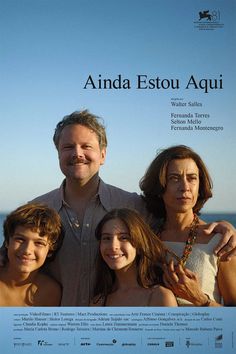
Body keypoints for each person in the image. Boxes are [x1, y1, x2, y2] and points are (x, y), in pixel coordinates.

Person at [31, 110, 236, 306]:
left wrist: (225, 227)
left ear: (103, 155)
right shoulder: (35, 211)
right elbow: (13, 262)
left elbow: (178, 215)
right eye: (68, 147)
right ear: (57, 153)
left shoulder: (135, 207)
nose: (77, 153)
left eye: (86, 146)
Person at [140, 145, 236, 306]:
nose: (185, 187)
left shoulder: (221, 242)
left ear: (200, 186)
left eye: (192, 178)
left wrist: (199, 299)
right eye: (174, 178)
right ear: (159, 187)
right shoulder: (146, 239)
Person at [90, 208, 177, 306]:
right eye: (106, 238)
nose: (113, 246)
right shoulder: (98, 302)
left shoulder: (159, 297)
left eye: (123, 238)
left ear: (140, 244)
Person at [0, 203, 63, 306]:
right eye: (20, 239)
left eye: (39, 243)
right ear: (7, 242)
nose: (27, 250)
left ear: (50, 250)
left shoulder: (50, 292)